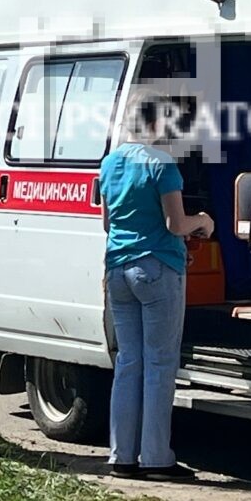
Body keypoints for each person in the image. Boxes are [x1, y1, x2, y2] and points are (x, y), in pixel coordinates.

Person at [97, 94, 215, 481]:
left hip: (117, 269)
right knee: (160, 363)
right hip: (158, 268)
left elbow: (106, 224)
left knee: (128, 363)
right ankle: (156, 458)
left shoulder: (110, 163)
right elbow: (175, 225)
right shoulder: (162, 164)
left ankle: (121, 456)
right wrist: (203, 221)